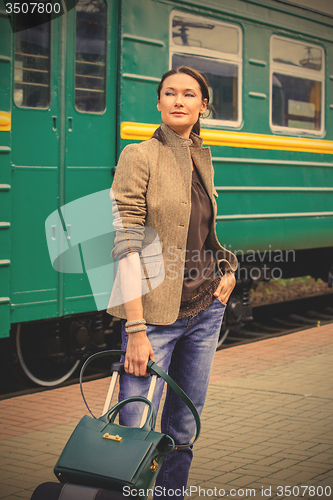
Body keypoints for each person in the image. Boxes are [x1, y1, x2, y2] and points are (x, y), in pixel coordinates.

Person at [107, 66, 238, 499]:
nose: (179, 100)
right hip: (154, 318)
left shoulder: (203, 158)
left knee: (183, 426)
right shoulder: (139, 155)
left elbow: (202, 232)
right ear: (159, 103)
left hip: (205, 311)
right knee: (135, 428)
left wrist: (228, 266)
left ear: (204, 105)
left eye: (189, 94)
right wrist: (136, 330)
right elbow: (127, 245)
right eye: (169, 93)